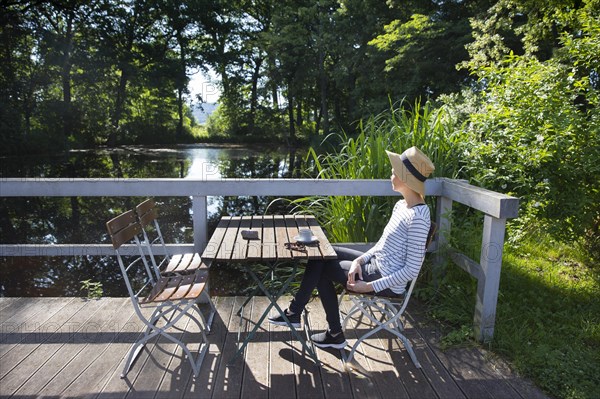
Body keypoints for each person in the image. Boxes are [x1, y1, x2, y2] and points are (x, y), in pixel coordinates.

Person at [269, 146, 435, 349]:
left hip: (384, 279)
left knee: (321, 269)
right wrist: (359, 260)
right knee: (324, 252)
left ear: (406, 178)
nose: (391, 174)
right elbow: (382, 244)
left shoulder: (418, 217)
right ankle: (299, 316)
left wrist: (369, 286)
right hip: (374, 265)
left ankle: (324, 328)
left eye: (395, 171)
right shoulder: (401, 206)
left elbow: (412, 270)